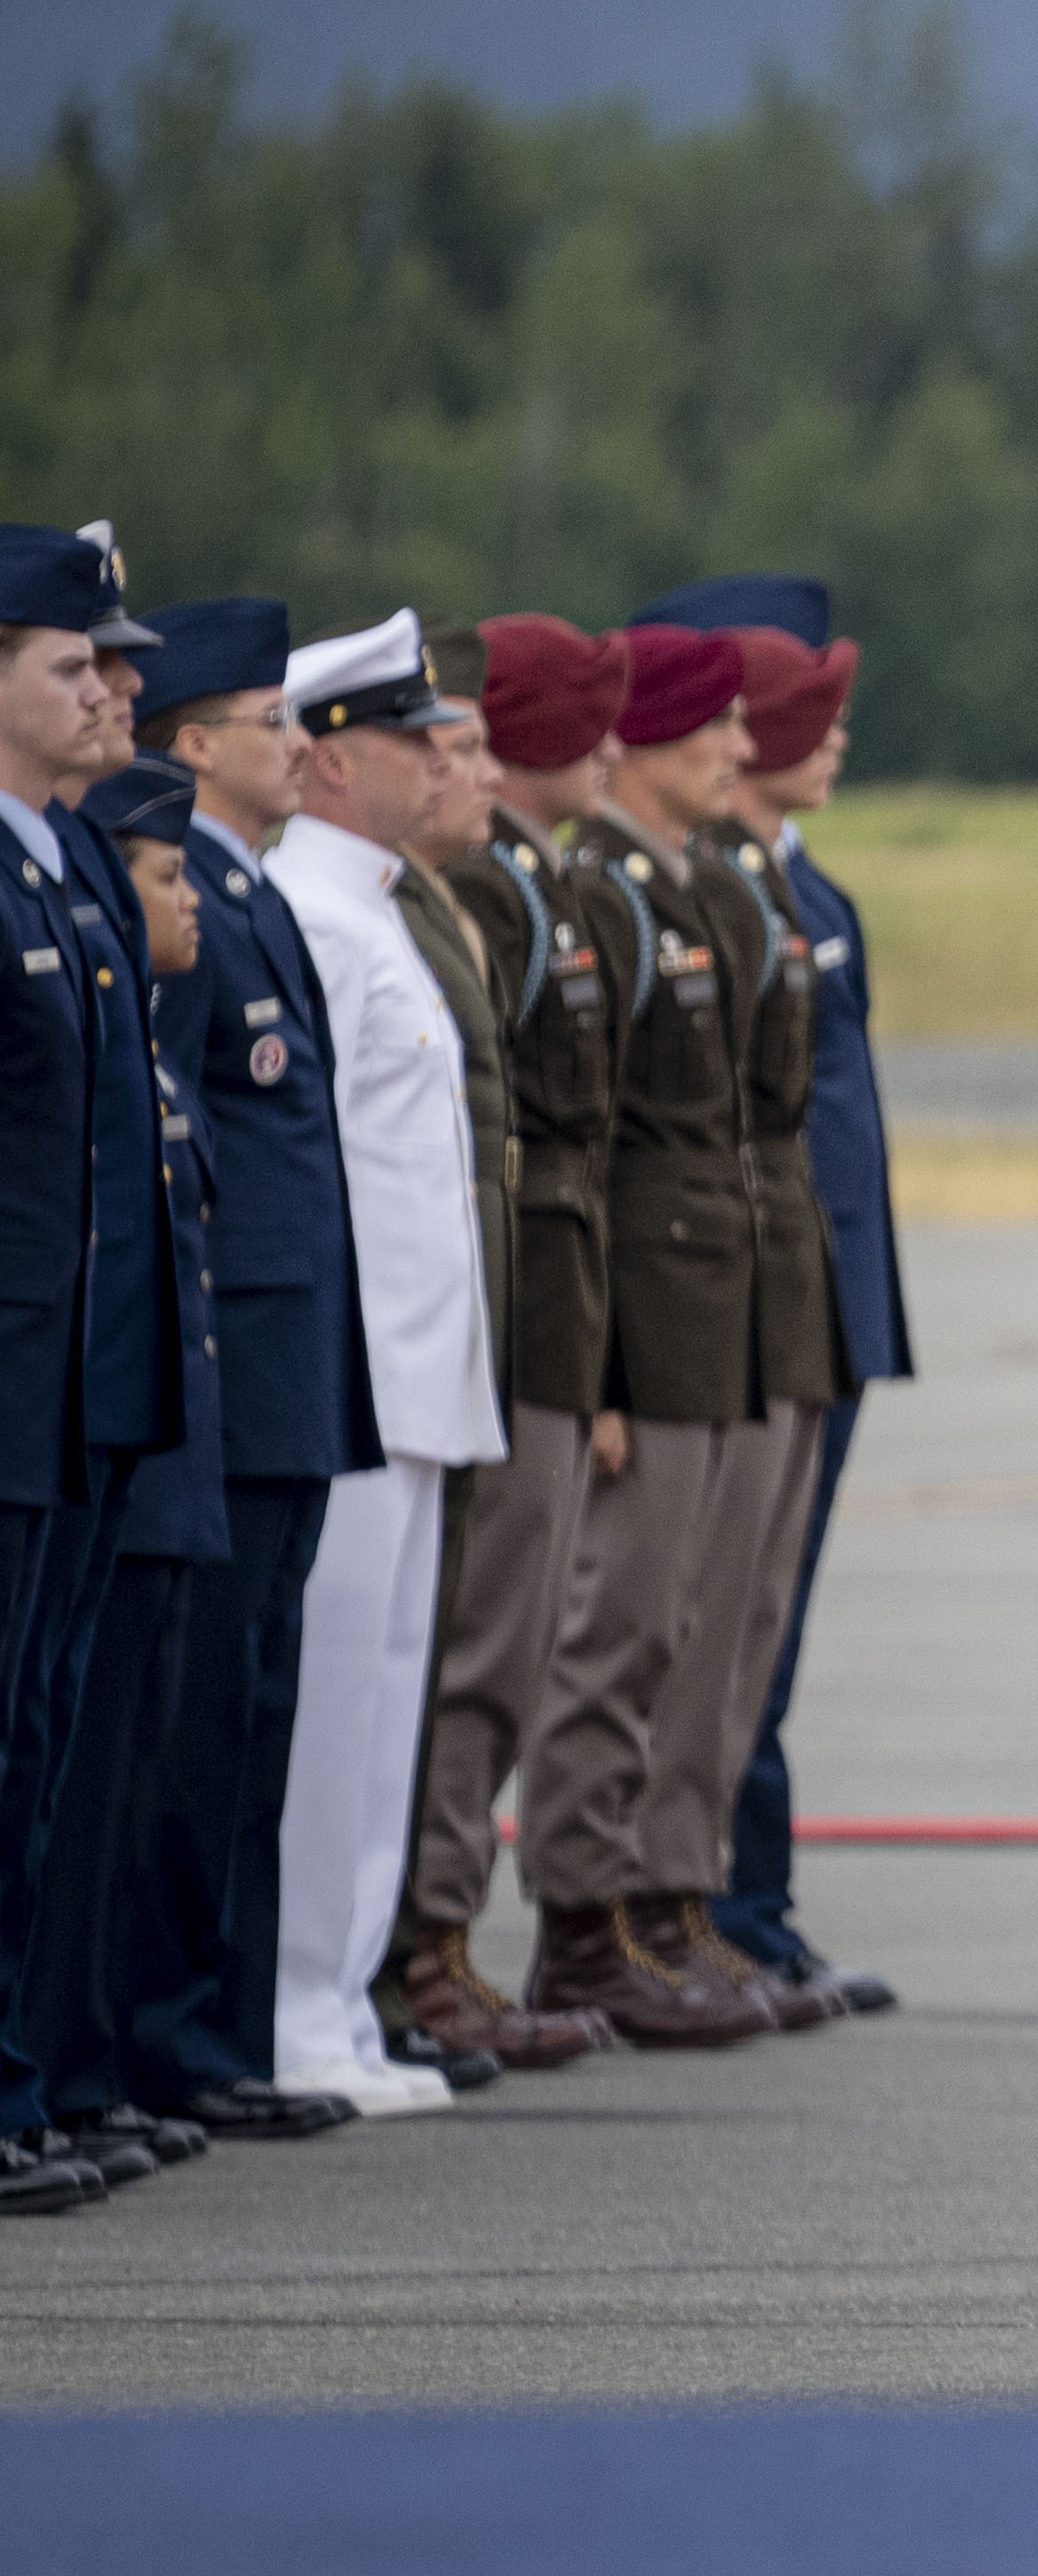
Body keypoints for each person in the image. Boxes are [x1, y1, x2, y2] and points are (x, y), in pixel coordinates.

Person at [123, 599, 395, 2138]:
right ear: (194, 743)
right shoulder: (193, 899)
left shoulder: (251, 892)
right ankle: (172, 2031)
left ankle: (221, 2031)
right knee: (200, 1706)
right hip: (236, 1347)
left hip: (291, 1354)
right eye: (270, 718)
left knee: (253, 1702)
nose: (301, 743)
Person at [515, 621, 801, 2046]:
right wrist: (613, 1368)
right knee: (619, 1626)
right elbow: (601, 1148)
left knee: (689, 1619)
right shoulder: (609, 897)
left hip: (721, 1306)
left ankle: (662, 1899)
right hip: (649, 1314)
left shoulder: (703, 889)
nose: (745, 751)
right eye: (720, 728)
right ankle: (585, 1912)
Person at [260, 611, 508, 2118]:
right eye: (413, 740)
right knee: (333, 1711)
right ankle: (296, 2002)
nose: (440, 763)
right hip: (356, 1385)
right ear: (334, 758)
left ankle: (339, 1998)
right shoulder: (317, 915)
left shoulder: (379, 917)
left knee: (386, 1706)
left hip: (418, 1383)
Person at [643, 585, 904, 2014]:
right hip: (746, 1298)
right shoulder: (711, 891)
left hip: (821, 1295)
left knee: (769, 1619)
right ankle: (714, 1903)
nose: (830, 736)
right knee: (724, 1617)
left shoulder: (807, 888)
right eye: (795, 712)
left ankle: (748, 1899)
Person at [391, 618, 635, 2071]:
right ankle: (422, 1938)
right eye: (456, 740)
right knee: (476, 1648)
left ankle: (438, 1932)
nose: (475, 762)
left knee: (509, 1641)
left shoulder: (536, 885)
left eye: (487, 737)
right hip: (509, 1298)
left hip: (554, 1287)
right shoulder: (478, 893)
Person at [31, 750, 270, 2178]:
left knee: (111, 1755)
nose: (184, 900)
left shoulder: (155, 1038)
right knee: (75, 1750)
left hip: (142, 1428)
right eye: (163, 873)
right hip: (84, 1413)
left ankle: (81, 2058)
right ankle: (56, 2062)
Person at [0, 532, 140, 2208]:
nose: (107, 689)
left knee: (31, 1738)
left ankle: (21, 2073)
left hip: (60, 1384)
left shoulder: (49, 867)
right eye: (66, 665)